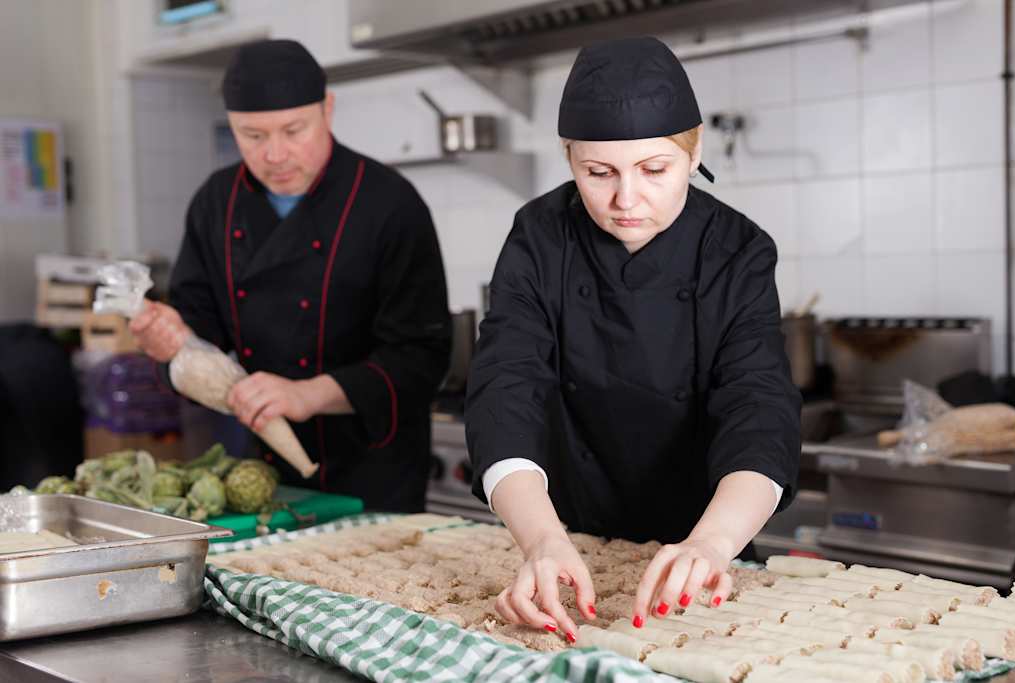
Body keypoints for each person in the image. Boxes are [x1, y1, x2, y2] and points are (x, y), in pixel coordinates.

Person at [465, 36, 801, 644]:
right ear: (570, 160)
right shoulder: (538, 237)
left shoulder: (738, 249)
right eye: (598, 173)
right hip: (571, 531)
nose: (625, 199)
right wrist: (541, 539)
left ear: (692, 153)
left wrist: (713, 542)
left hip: (704, 531)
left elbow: (759, 403)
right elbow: (506, 385)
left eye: (653, 170)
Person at [130, 39, 452, 513]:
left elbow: (420, 357)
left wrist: (307, 394)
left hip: (373, 474)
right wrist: (171, 347)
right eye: (253, 136)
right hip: (258, 474)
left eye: (293, 130)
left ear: (328, 109)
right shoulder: (215, 203)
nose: (275, 154)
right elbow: (200, 336)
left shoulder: (389, 203)